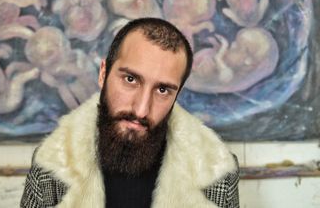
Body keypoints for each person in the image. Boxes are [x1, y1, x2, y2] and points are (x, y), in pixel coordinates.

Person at [20, 18, 239, 208]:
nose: (141, 109)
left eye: (163, 90)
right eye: (131, 79)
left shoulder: (216, 172)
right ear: (103, 74)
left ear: (177, 95)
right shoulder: (52, 163)